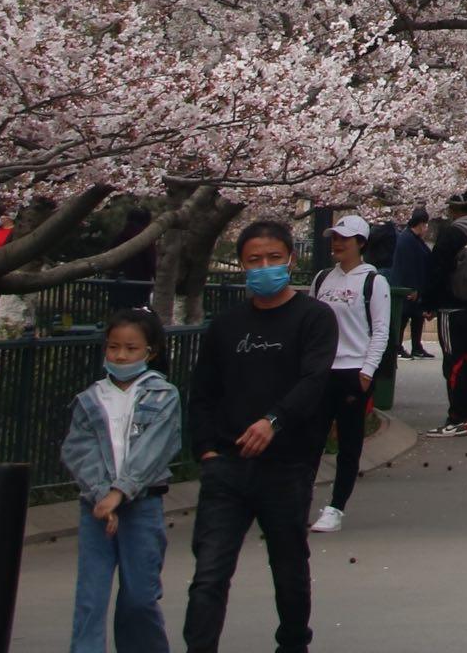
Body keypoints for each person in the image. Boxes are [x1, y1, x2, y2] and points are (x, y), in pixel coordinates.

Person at [183, 222, 337, 653]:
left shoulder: (314, 318)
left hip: (286, 466)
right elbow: (203, 393)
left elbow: (313, 381)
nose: (264, 267)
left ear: (290, 259)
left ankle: (293, 643)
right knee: (209, 573)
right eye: (254, 260)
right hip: (227, 468)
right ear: (241, 265)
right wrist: (207, 452)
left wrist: (274, 421)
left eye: (273, 258)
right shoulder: (227, 325)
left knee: (288, 566)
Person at [63, 308, 181, 653]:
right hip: (96, 508)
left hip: (142, 507)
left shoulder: (163, 395)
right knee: (90, 598)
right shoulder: (89, 399)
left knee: (140, 598)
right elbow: (78, 451)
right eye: (113, 347)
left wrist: (119, 493)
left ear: (151, 351)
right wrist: (102, 496)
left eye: (131, 349)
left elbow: (153, 450)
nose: (120, 356)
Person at [308, 217, 386, 533]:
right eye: (335, 237)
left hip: (354, 371)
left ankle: (335, 507)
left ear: (361, 243)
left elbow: (380, 330)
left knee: (349, 444)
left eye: (346, 238)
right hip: (322, 371)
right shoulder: (322, 278)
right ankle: (298, 502)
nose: (338, 243)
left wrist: (367, 372)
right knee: (310, 441)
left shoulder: (373, 282)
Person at [421, 193, 467, 437]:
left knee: (453, 362)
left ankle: (456, 418)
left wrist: (427, 303)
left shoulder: (452, 233)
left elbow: (436, 269)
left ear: (453, 210)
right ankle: (465, 416)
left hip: (451, 306)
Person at [390, 210, 433, 359]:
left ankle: (416, 346)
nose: (426, 228)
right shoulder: (407, 240)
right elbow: (408, 267)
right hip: (408, 286)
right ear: (420, 224)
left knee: (416, 316)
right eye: (425, 224)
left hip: (416, 286)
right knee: (403, 317)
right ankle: (397, 346)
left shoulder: (414, 239)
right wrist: (412, 289)